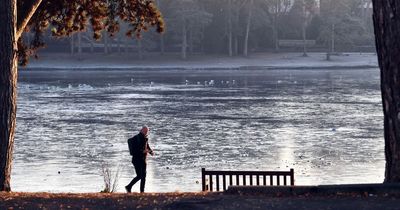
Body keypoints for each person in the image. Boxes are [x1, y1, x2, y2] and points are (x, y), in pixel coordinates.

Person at [125, 126, 154, 193]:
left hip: (143, 160)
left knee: (143, 176)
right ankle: (129, 187)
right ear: (141, 130)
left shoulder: (145, 138)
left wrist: (150, 152)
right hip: (136, 160)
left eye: (147, 131)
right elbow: (135, 150)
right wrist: (142, 151)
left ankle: (141, 191)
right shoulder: (136, 138)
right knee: (140, 176)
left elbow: (147, 146)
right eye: (145, 131)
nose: (146, 132)